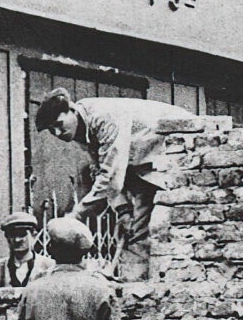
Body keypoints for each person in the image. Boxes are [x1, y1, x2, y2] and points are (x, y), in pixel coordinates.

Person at [34, 88, 194, 280]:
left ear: (72, 110)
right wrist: (123, 210)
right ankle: (135, 286)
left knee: (167, 224)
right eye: (52, 130)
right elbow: (104, 168)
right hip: (144, 162)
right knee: (134, 229)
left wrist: (77, 214)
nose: (58, 133)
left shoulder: (103, 117)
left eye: (59, 124)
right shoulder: (81, 129)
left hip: (180, 144)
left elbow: (111, 175)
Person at [0, 211, 55, 289]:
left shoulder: (49, 266)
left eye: (22, 235)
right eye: (12, 235)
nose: (17, 240)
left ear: (33, 236)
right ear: (7, 238)